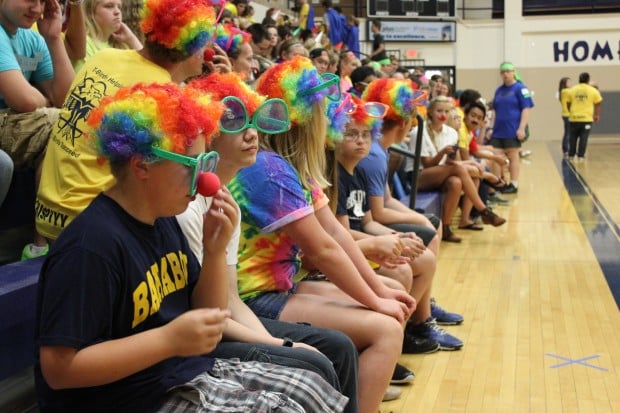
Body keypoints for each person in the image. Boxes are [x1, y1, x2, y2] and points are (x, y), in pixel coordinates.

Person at [35, 82, 348, 413]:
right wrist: (167, 340)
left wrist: (215, 253)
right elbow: (59, 369)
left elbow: (208, 315)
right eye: (192, 164)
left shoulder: (163, 220)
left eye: (207, 162)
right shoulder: (91, 246)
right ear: (142, 165)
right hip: (128, 399)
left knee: (310, 388)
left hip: (176, 376)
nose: (206, 180)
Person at [229, 56, 416, 413]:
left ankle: (362, 395)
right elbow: (324, 249)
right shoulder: (268, 169)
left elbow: (335, 233)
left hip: (278, 287)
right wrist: (377, 303)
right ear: (309, 118)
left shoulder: (293, 166)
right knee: (386, 328)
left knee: (391, 294)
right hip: (252, 298)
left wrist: (379, 292)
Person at [177, 72, 359, 413]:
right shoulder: (189, 209)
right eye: (234, 122)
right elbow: (211, 312)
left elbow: (229, 300)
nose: (251, 133)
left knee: (338, 348)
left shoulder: (224, 195)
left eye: (253, 121)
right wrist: (281, 344)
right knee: (315, 362)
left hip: (227, 317)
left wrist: (280, 343)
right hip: (202, 335)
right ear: (207, 132)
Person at [35, 0, 219, 242]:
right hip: (88, 224)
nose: (209, 53)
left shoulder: (106, 57)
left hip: (46, 212)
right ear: (190, 47)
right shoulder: (165, 97)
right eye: (205, 44)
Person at [332, 94, 464, 352]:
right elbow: (343, 232)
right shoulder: (336, 177)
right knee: (403, 269)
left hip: (365, 242)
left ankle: (408, 326)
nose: (361, 141)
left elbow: (369, 220)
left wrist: (395, 236)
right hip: (354, 249)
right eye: (352, 135)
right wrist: (384, 241)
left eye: (366, 135)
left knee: (424, 257)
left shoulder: (357, 170)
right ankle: (399, 333)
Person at [0, 0, 75, 259]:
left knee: (66, 123)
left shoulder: (31, 39)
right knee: (59, 122)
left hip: (19, 123)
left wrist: (54, 38)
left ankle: (42, 246)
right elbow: (25, 100)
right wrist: (47, 101)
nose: (37, 7)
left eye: (42, 0)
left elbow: (68, 100)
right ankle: (44, 246)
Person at [405, 96, 506, 242]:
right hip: (419, 176)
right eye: (439, 110)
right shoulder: (418, 132)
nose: (443, 115)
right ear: (430, 112)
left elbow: (452, 163)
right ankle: (485, 211)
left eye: (446, 111)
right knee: (458, 170)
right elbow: (428, 164)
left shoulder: (451, 132)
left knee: (456, 182)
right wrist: (443, 153)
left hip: (443, 173)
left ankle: (446, 228)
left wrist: (452, 157)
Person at [489, 62, 534, 194]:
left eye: (508, 71)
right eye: (503, 72)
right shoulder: (498, 90)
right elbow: (494, 111)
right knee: (495, 157)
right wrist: (491, 128)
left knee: (513, 156)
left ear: (513, 72)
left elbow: (526, 109)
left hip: (512, 129)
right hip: (498, 130)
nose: (505, 74)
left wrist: (521, 128)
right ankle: (498, 182)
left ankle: (514, 184)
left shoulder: (521, 88)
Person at [71, 0, 143, 73]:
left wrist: (131, 39)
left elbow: (147, 67)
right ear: (91, 13)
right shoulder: (82, 43)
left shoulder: (122, 45)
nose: (117, 12)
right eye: (109, 6)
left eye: (119, 7)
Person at [566, 72, 602, 162]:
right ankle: (581, 156)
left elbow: (568, 102)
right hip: (586, 119)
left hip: (574, 118)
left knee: (572, 137)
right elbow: (598, 103)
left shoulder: (572, 90)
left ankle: (571, 155)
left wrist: (571, 111)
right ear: (588, 80)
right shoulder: (593, 90)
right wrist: (596, 115)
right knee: (584, 137)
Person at [558, 77, 572, 158]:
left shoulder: (564, 91)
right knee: (568, 133)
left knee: (568, 132)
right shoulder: (565, 91)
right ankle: (566, 149)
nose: (571, 83)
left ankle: (566, 149)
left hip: (566, 114)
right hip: (567, 114)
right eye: (569, 82)